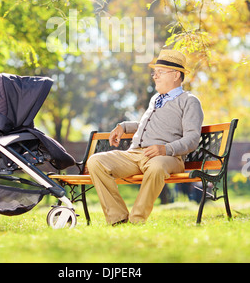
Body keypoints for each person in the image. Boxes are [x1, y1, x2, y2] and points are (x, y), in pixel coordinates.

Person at [87, 49, 204, 225]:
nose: (155, 77)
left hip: (168, 157)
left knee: (157, 166)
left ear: (176, 75)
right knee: (96, 161)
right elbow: (145, 125)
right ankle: (117, 218)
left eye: (160, 72)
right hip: (135, 154)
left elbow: (193, 138)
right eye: (154, 73)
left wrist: (165, 149)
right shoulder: (155, 99)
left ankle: (137, 219)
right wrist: (123, 126)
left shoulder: (189, 101)